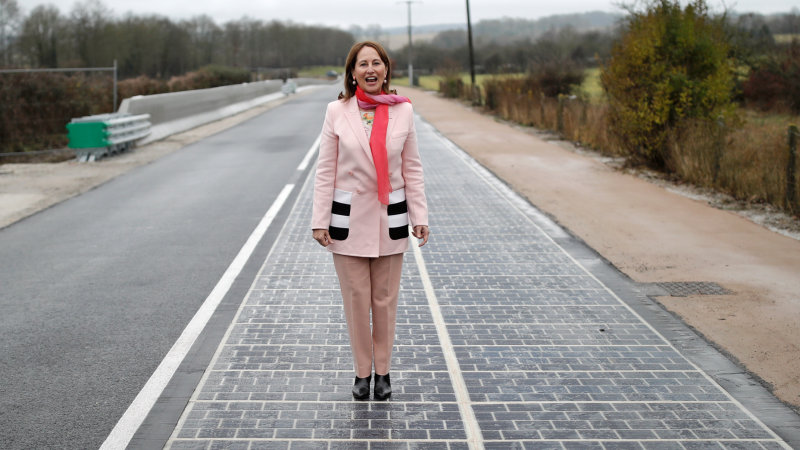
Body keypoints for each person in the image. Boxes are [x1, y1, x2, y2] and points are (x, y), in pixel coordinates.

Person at [311, 41, 429, 400]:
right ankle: (362, 373)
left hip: (390, 218)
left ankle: (383, 373)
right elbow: (325, 170)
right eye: (363, 64)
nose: (370, 69)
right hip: (346, 221)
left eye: (376, 62)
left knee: (385, 301)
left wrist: (419, 215)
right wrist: (320, 220)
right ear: (353, 72)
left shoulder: (404, 112)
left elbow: (412, 168)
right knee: (356, 301)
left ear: (386, 70)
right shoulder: (336, 111)